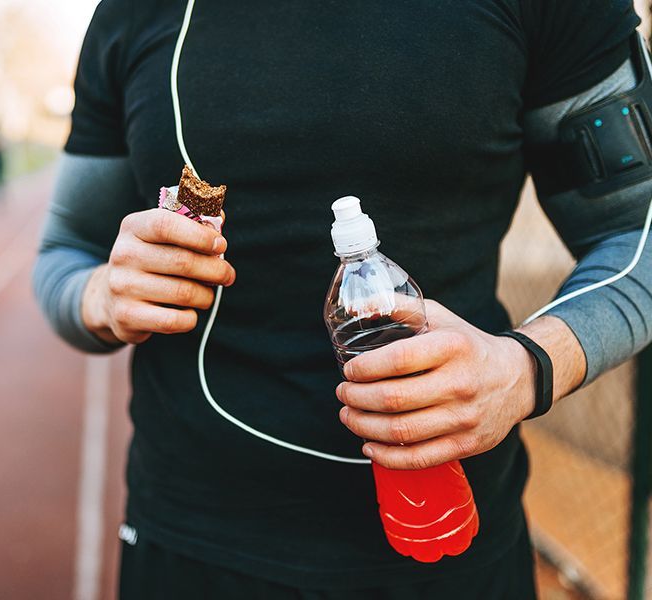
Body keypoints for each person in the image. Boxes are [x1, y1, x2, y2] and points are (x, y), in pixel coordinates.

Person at [33, 1, 652, 598]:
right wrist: (101, 298)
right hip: (195, 537)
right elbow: (64, 248)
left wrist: (527, 368)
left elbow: (637, 232)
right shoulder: (131, 15)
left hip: (451, 532)